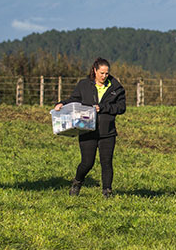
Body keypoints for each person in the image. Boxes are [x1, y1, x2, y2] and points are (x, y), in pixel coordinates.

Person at [54, 58, 126, 198]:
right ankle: (77, 182)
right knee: (87, 162)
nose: (104, 76)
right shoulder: (84, 85)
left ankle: (107, 191)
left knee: (107, 163)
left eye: (106, 73)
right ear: (95, 70)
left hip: (107, 132)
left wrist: (103, 108)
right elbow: (74, 99)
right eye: (101, 73)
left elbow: (121, 107)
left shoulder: (116, 88)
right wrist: (61, 103)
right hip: (87, 129)